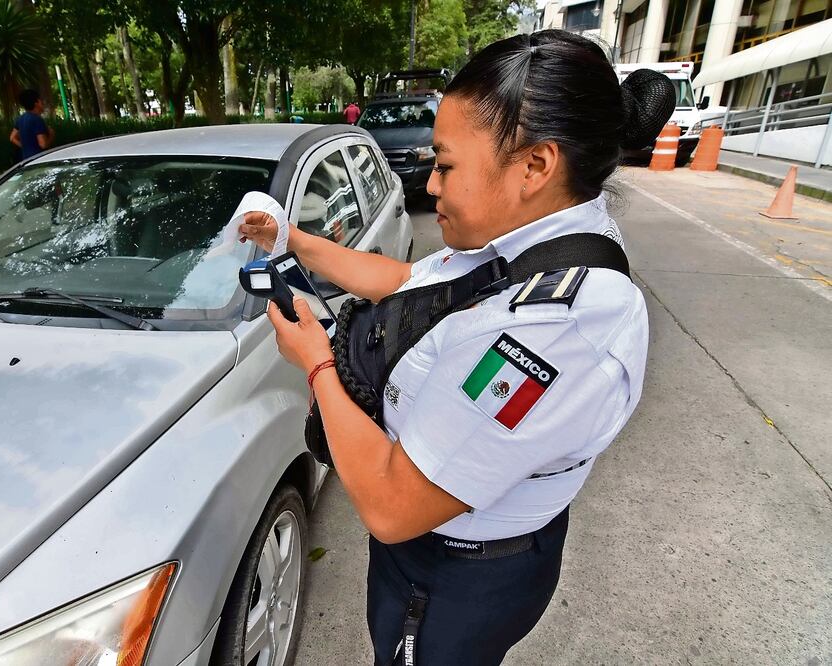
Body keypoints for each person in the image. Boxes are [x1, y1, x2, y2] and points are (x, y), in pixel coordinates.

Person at [238, 30, 675, 665]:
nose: (431, 186)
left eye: (445, 165)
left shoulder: (557, 331)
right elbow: (409, 281)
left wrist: (318, 364)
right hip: (430, 551)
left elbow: (392, 505)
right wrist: (295, 239)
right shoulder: (514, 242)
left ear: (534, 166)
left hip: (456, 575)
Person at [10, 89, 54, 161]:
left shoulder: (20, 119)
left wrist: (25, 147)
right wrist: (51, 135)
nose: (43, 103)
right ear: (36, 103)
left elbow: (12, 138)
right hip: (39, 159)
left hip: (26, 160)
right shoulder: (37, 120)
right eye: (41, 101)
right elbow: (43, 144)